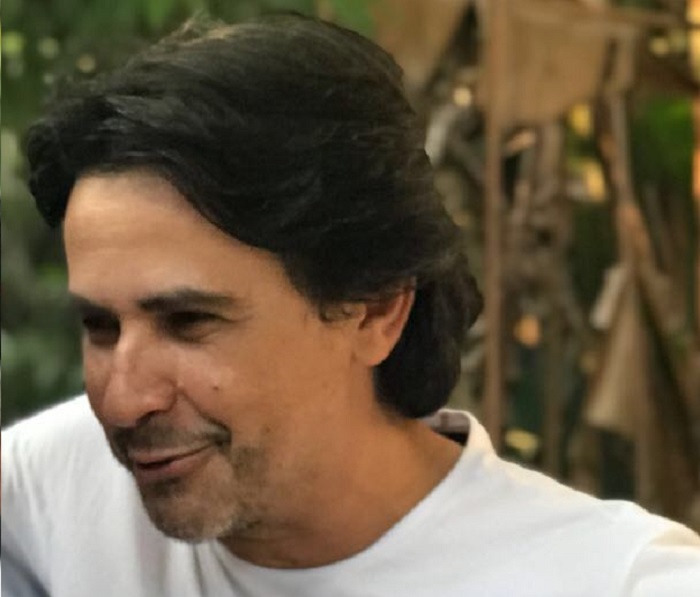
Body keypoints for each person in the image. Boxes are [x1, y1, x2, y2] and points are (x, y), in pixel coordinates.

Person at [2, 13, 699, 597]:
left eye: (190, 323)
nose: (125, 401)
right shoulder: (45, 493)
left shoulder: (620, 580)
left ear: (374, 310)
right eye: (100, 326)